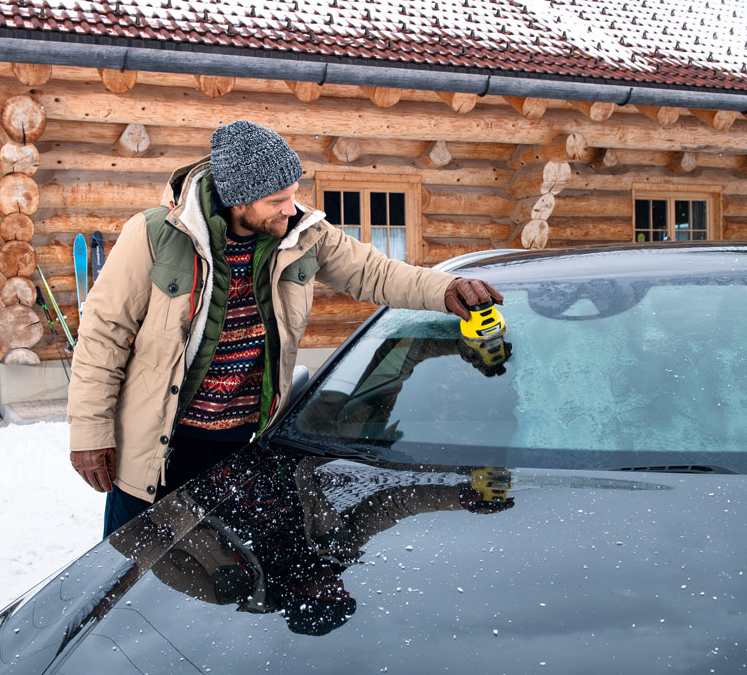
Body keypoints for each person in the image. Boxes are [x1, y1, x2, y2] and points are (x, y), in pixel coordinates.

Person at [67, 120, 503, 536]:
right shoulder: (155, 235)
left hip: (240, 447)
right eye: (277, 200)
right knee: (131, 577)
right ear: (240, 201)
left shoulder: (302, 233)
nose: (290, 208)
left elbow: (375, 273)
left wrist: (447, 289)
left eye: (293, 194)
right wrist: (90, 433)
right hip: (158, 447)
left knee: (227, 580)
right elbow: (103, 335)